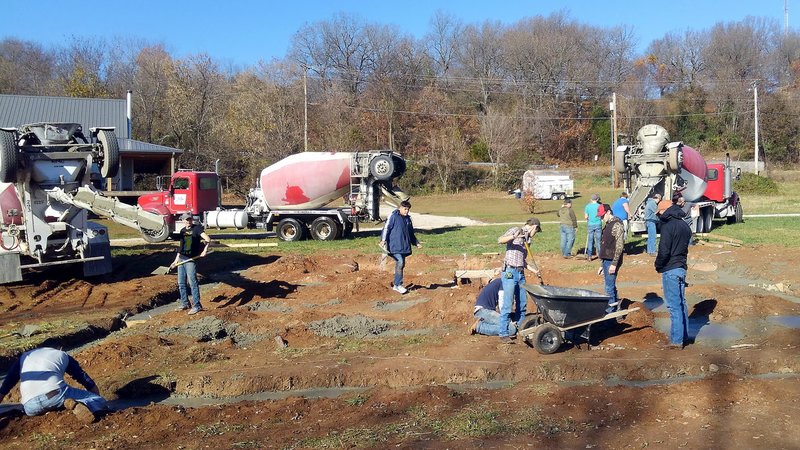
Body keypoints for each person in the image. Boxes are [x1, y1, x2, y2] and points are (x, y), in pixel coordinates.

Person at [0, 343, 109, 423]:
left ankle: (62, 405)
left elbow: (8, 381)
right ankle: (91, 409)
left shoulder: (24, 357)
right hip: (56, 395)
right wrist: (95, 395)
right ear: (60, 348)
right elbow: (82, 377)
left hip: (29, 406)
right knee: (96, 399)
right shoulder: (62, 354)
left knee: (41, 404)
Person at [655, 194, 693, 349]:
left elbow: (664, 251)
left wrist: (658, 264)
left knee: (673, 306)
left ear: (664, 211)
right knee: (682, 303)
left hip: (670, 269)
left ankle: (676, 341)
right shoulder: (684, 225)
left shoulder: (668, 226)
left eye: (659, 213)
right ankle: (684, 336)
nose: (658, 216)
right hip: (681, 267)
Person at [496, 218, 542, 344]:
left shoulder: (528, 240)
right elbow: (499, 240)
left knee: (522, 303)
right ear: (534, 227)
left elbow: (523, 260)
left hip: (520, 273)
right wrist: (513, 236)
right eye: (536, 231)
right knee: (508, 303)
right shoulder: (516, 230)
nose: (535, 234)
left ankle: (520, 329)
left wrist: (534, 270)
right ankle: (503, 332)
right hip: (510, 272)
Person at [170, 213, 211, 314]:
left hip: (191, 260)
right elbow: (180, 247)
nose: (188, 221)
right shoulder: (182, 231)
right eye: (186, 220)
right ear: (183, 221)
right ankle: (185, 303)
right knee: (181, 283)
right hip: (182, 259)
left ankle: (197, 305)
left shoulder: (197, 229)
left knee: (192, 282)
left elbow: (208, 239)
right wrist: (175, 261)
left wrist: (204, 250)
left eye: (190, 219)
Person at [380, 200, 421, 294]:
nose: (406, 211)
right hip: (393, 245)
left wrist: (416, 242)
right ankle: (397, 285)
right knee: (400, 262)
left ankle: (396, 284)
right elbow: (386, 228)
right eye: (405, 209)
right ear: (400, 208)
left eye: (408, 209)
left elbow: (411, 233)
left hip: (403, 246)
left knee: (401, 264)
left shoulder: (408, 219)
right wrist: (383, 240)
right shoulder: (393, 216)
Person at [597, 203, 625, 314]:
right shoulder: (608, 224)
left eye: (602, 215)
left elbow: (619, 245)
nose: (601, 218)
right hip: (606, 259)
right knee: (610, 285)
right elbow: (605, 245)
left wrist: (614, 263)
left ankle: (610, 313)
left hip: (612, 260)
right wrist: (601, 264)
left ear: (608, 212)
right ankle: (616, 306)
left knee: (608, 288)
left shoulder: (617, 225)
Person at [584, 194, 602, 260]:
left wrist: (589, 218)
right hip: (598, 224)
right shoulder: (600, 206)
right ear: (597, 199)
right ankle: (600, 256)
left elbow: (586, 217)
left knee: (590, 240)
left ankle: (589, 256)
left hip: (590, 224)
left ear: (591, 199)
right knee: (598, 240)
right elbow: (601, 215)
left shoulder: (587, 206)